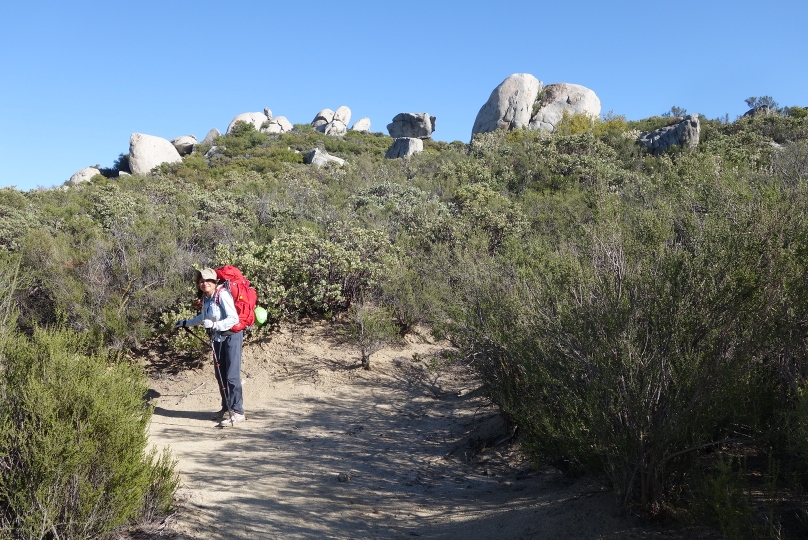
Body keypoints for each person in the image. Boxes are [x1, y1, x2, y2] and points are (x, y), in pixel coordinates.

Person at [175, 268, 245, 427]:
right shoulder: (207, 298)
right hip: (217, 338)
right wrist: (186, 323)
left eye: (207, 280)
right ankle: (226, 407)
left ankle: (238, 412)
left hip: (231, 337)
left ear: (215, 282)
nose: (204, 283)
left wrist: (215, 324)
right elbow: (203, 317)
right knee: (220, 374)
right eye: (201, 281)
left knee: (232, 376)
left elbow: (233, 318)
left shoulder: (223, 295)